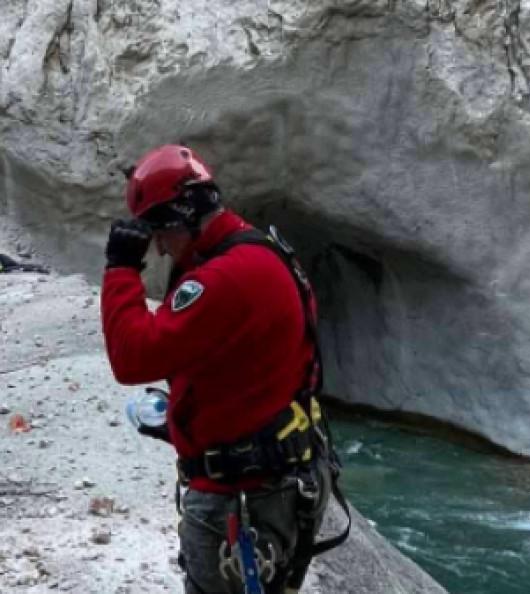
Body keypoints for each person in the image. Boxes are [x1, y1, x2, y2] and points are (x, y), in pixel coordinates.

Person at [101, 144, 348, 594]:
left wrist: (120, 270)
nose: (157, 245)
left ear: (186, 214)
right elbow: (246, 370)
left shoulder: (225, 278)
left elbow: (131, 357)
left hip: (243, 497)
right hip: (280, 481)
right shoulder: (262, 253)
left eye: (161, 229)